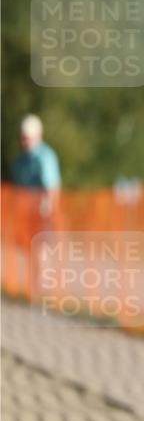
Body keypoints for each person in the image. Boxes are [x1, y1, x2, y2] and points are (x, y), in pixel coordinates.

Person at [12, 114, 61, 296]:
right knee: (28, 250)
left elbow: (51, 187)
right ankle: (33, 287)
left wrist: (47, 209)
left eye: (28, 138)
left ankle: (44, 289)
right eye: (23, 138)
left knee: (42, 251)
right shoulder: (21, 161)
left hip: (43, 213)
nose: (25, 142)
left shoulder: (45, 157)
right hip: (26, 213)